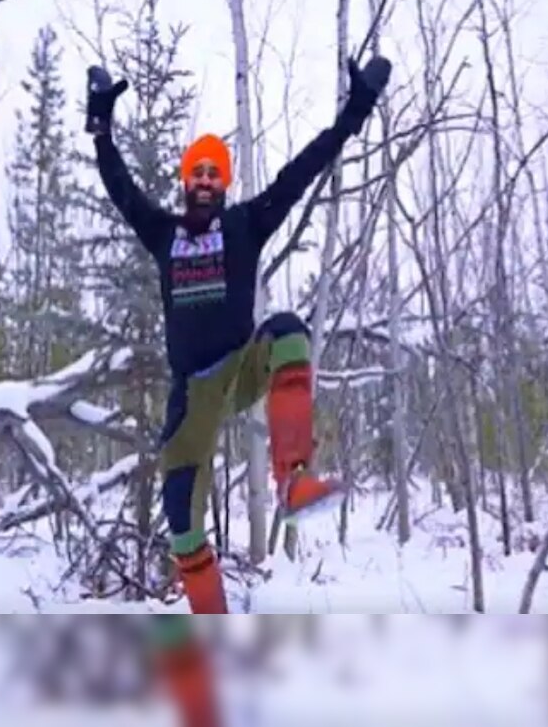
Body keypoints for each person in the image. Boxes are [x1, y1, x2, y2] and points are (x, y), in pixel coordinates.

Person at [86, 55, 392, 615]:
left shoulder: (245, 223)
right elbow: (119, 186)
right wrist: (101, 124)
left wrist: (357, 111)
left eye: (214, 174)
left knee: (289, 332)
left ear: (223, 185)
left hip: (241, 365)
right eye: (197, 173)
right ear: (185, 182)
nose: (205, 181)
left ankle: (293, 478)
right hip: (191, 392)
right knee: (181, 517)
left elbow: (305, 169)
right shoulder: (163, 233)